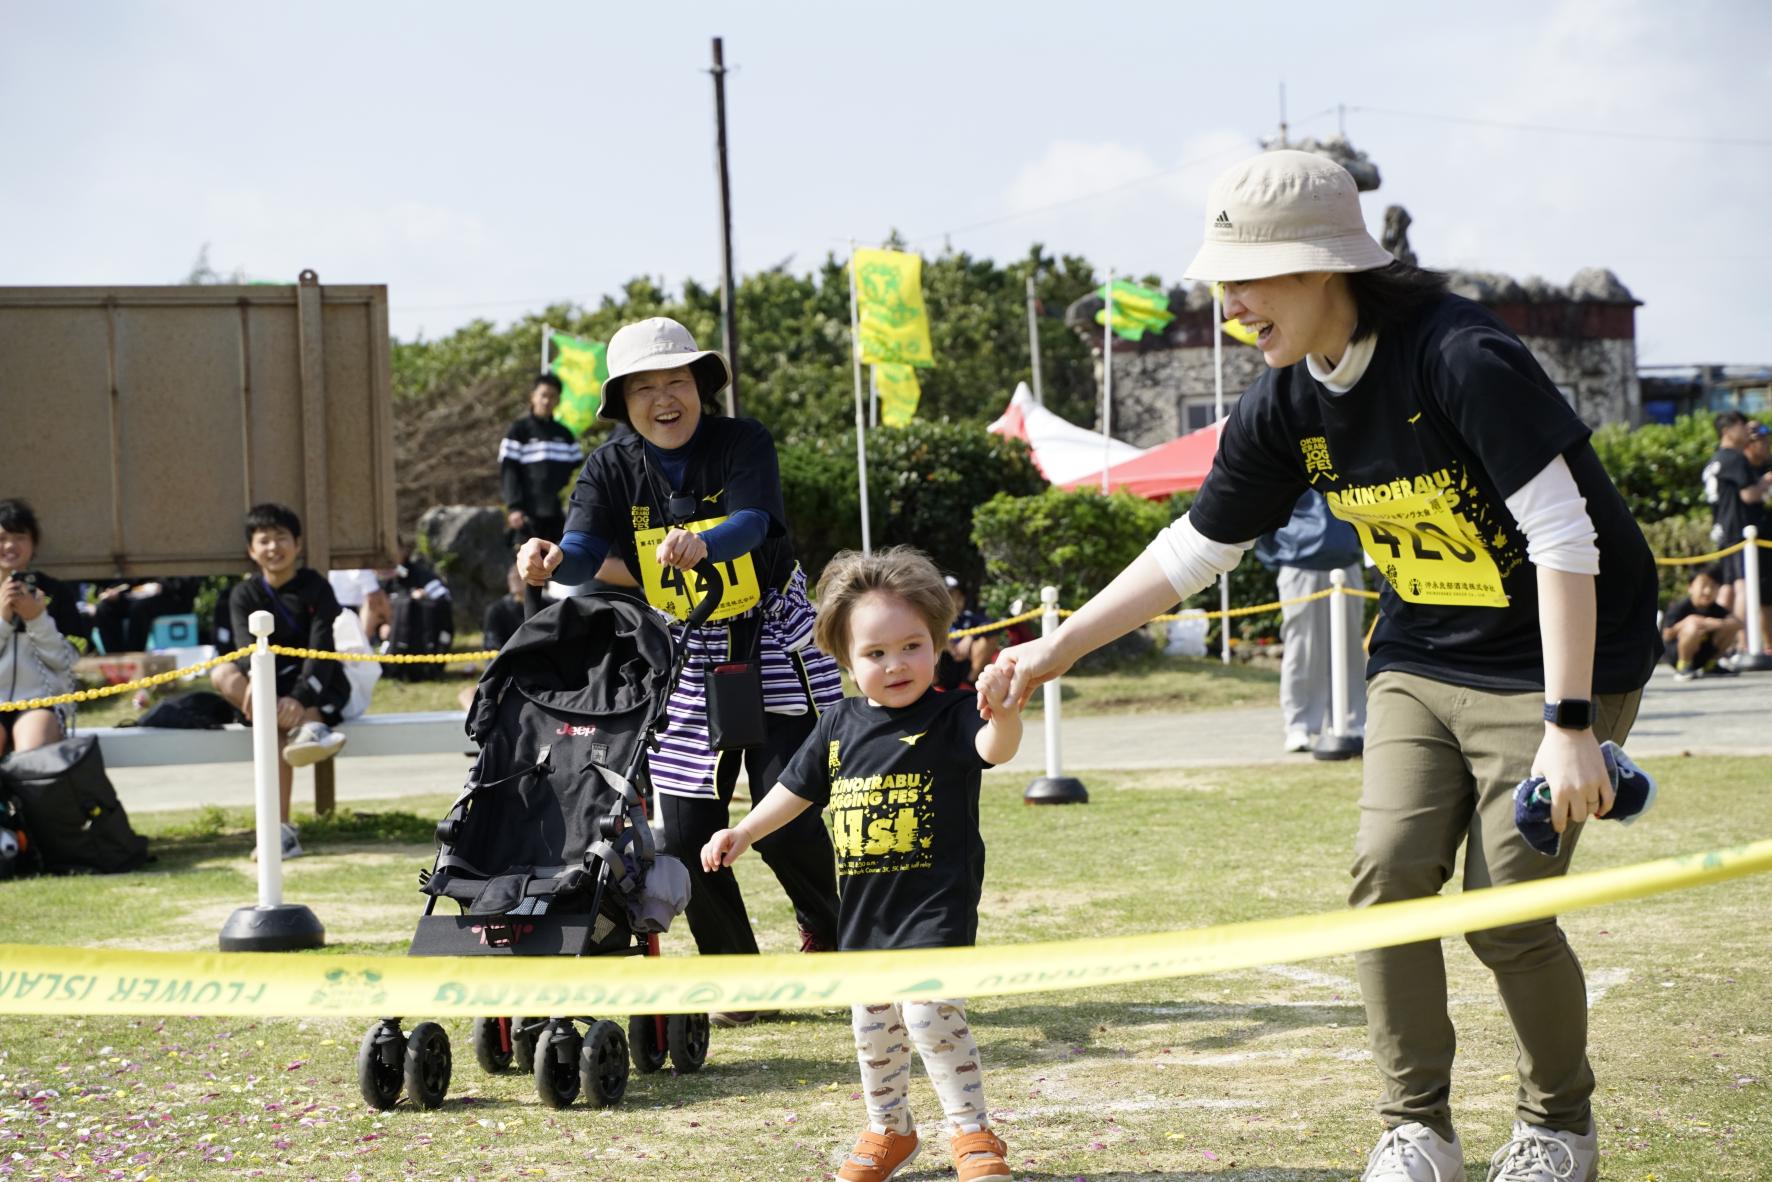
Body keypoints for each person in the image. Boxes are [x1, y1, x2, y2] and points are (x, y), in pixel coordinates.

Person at [995, 150, 1660, 1182]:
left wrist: (1569, 726)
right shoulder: (1285, 400)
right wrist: (1055, 648)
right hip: (1417, 655)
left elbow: (1562, 542)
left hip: (1557, 660)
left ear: (1319, 269)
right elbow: (1192, 550)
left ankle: (1554, 1128)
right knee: (1386, 880)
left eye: (1243, 281)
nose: (1228, 309)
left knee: (1503, 911)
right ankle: (1416, 1132)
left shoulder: (1458, 358)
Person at [517, 317, 844, 1027]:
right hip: (685, 651)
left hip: (771, 635)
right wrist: (549, 561)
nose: (665, 400)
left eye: (677, 382)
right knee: (684, 833)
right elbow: (579, 548)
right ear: (622, 402)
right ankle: (737, 978)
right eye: (645, 388)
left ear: (701, 386)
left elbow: (756, 522)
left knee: (783, 810)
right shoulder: (609, 467)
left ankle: (834, 933)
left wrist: (707, 540)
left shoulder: (742, 441)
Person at [701, 547, 1024, 1182]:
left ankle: (971, 1134)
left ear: (936, 643)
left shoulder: (954, 713)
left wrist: (1005, 711)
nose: (896, 664)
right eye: (875, 654)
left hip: (936, 909)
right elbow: (794, 791)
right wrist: (742, 829)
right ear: (845, 659)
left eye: (912, 646)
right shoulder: (838, 724)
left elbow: (997, 748)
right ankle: (889, 1130)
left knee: (930, 1016)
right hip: (866, 917)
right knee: (874, 1029)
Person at [210, 503, 353, 860]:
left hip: (314, 686)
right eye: (264, 540)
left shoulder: (316, 587)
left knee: (271, 731)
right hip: (264, 688)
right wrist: (274, 701)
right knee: (222, 673)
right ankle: (304, 730)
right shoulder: (243, 595)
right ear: (251, 550)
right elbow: (246, 652)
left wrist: (300, 698)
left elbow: (323, 649)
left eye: (281, 538)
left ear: (298, 544)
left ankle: (280, 831)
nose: (273, 547)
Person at [1254, 489, 1368, 752]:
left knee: (1350, 649)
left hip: (1345, 561)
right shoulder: (1286, 456)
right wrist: (1283, 554)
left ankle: (1352, 722)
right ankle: (1299, 725)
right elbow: (1264, 515)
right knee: (1302, 648)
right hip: (1299, 563)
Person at [0, 499, 83, 756]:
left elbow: (68, 662)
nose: (10, 545)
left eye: (20, 537)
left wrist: (36, 619)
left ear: (34, 543)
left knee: (32, 755)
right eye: (2, 538)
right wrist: (3, 620)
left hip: (41, 702)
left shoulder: (58, 593)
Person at [1700, 410, 1772, 656]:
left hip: (1722, 530)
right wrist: (1766, 482)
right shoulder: (1735, 458)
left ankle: (1718, 645)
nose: (1746, 432)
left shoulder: (1715, 460)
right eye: (1742, 426)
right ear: (1727, 430)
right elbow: (1748, 494)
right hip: (1739, 530)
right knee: (1743, 587)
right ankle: (1739, 644)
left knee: (1728, 589)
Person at [500, 372, 584, 547]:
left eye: (552, 397)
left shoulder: (565, 434)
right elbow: (509, 472)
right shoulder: (518, 430)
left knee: (559, 568)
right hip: (528, 516)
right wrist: (514, 507)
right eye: (543, 395)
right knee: (528, 567)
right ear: (533, 396)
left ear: (558, 400)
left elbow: (579, 473)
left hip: (561, 516)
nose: (547, 401)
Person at [1660, 565, 1740, 681]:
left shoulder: (1716, 609)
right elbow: (1666, 635)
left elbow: (1738, 623)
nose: (1708, 591)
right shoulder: (1680, 607)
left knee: (1729, 626)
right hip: (1677, 654)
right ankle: (1684, 666)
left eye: (1713, 586)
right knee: (1692, 626)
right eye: (1703, 585)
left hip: (1703, 653)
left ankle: (1711, 666)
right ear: (1690, 587)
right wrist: (1687, 623)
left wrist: (1714, 623)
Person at [92, 577, 198, 654]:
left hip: (174, 597)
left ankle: (134, 656)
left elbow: (186, 583)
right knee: (104, 608)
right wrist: (116, 589)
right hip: (140, 594)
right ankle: (114, 657)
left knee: (139, 608)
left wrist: (163, 586)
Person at [936, 575, 995, 692]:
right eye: (951, 597)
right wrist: (944, 642)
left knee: (987, 639)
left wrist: (970, 637)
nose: (955, 602)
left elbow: (992, 626)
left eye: (959, 598)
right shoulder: (933, 620)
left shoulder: (969, 618)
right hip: (942, 668)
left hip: (966, 667)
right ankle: (934, 685)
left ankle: (968, 684)